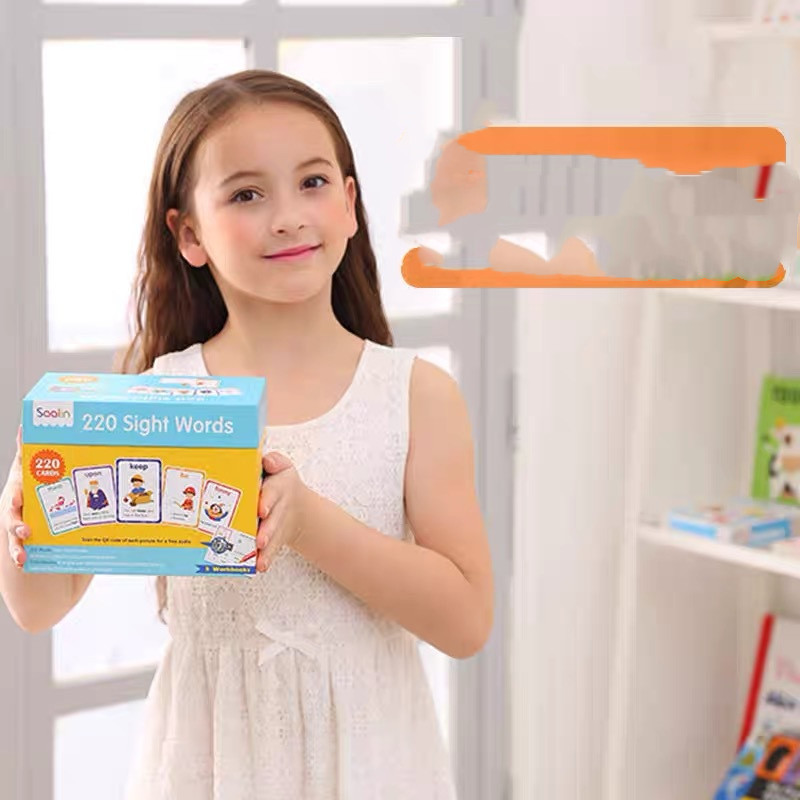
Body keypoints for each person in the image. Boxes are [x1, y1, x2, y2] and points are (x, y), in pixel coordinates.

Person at [0, 69, 494, 798]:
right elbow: (38, 607)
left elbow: (466, 622)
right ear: (189, 234)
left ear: (350, 204)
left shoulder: (416, 395)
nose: (288, 217)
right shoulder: (159, 401)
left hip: (373, 765)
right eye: (246, 195)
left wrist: (310, 524)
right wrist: (25, 503)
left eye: (312, 182)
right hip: (209, 768)